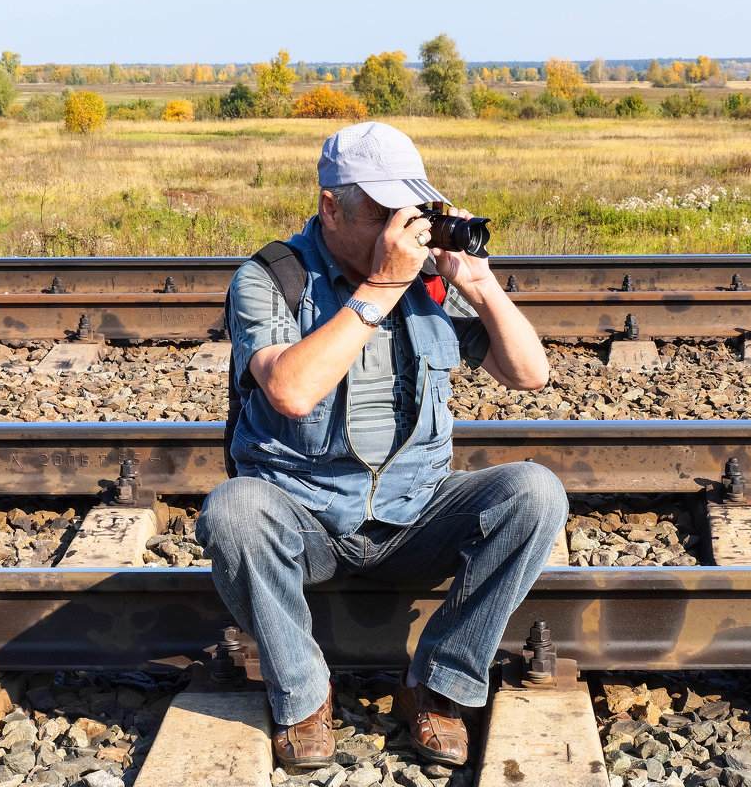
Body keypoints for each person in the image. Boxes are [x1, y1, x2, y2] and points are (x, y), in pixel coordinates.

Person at [197, 121, 568, 769]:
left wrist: (478, 285)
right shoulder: (270, 277)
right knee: (233, 510)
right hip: (304, 518)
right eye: (383, 211)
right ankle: (304, 698)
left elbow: (530, 373)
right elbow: (289, 390)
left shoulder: (427, 279)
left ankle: (438, 685)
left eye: (412, 210)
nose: (405, 229)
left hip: (413, 515)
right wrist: (382, 287)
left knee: (535, 492)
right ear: (330, 206)